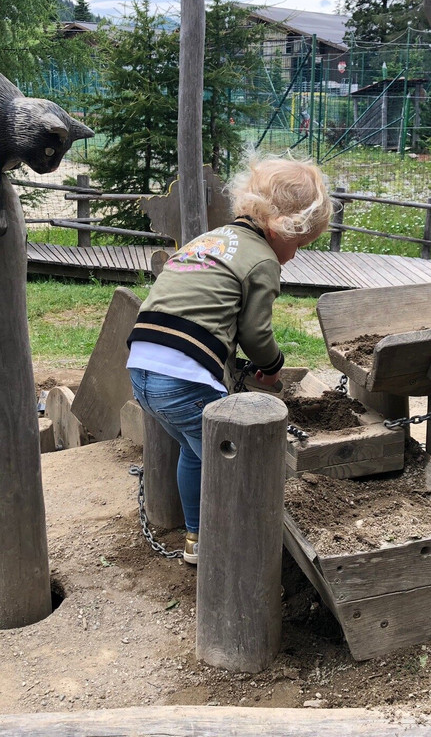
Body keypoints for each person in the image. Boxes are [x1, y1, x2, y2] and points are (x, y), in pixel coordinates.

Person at [126, 156, 333, 565]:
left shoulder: (211, 240)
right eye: (299, 244)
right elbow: (256, 333)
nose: (294, 256)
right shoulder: (262, 260)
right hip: (185, 377)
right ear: (281, 227)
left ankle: (198, 538)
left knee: (195, 450)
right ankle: (236, 545)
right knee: (235, 458)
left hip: (143, 363)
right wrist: (273, 367)